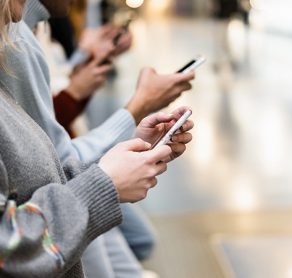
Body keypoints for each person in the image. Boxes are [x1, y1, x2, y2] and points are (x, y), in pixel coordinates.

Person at [0, 1, 195, 277]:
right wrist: (107, 182)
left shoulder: (20, 37)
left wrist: (124, 150)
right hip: (64, 226)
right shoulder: (17, 43)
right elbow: (10, 246)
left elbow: (46, 166)